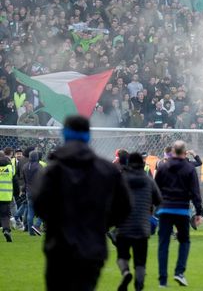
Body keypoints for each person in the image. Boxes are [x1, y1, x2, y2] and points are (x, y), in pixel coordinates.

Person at [32, 115, 132, 291]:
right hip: (92, 247)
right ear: (88, 135)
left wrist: (58, 221)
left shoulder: (53, 170)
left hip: (59, 246)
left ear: (64, 134)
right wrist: (102, 223)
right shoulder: (107, 170)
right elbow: (124, 207)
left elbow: (39, 204)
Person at [154, 140, 203, 287]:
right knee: (184, 241)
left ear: (173, 151)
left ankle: (162, 280)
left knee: (163, 243)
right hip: (182, 209)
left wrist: (157, 205)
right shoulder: (189, 169)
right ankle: (179, 272)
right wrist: (199, 212)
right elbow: (195, 191)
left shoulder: (163, 167)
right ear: (184, 152)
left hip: (165, 208)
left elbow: (156, 187)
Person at [115, 152, 162, 291]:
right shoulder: (148, 180)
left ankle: (125, 272)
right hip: (142, 226)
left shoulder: (122, 179)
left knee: (122, 256)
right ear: (142, 162)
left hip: (124, 226)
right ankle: (139, 285)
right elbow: (159, 199)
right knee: (140, 262)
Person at [23, 150, 44, 236]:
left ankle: (31, 232)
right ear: (37, 157)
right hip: (38, 191)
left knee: (30, 211)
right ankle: (37, 225)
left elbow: (24, 180)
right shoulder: (39, 166)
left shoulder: (25, 166)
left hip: (28, 191)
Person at [0, 150, 18, 242]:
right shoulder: (10, 167)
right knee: (5, 215)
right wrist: (17, 192)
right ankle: (6, 230)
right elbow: (15, 181)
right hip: (6, 196)